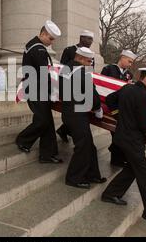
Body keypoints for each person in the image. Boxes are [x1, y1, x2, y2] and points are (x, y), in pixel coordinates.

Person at [102, 68, 146, 228]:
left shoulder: (127, 88)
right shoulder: (145, 96)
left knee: (132, 168)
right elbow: (144, 122)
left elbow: (111, 99)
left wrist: (119, 116)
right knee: (144, 174)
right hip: (133, 140)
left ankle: (110, 194)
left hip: (122, 137)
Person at [16, 20, 63, 164]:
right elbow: (44, 74)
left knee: (47, 122)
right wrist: (55, 89)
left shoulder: (34, 45)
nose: (51, 42)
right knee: (43, 121)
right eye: (50, 38)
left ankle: (47, 154)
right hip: (37, 89)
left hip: (37, 88)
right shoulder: (38, 49)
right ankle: (23, 140)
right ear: (43, 34)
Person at [60, 47, 106, 189]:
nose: (90, 64)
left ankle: (92, 174)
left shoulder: (66, 69)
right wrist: (98, 108)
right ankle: (74, 178)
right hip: (77, 114)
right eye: (88, 60)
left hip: (69, 112)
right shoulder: (81, 72)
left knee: (89, 146)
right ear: (79, 58)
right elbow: (91, 95)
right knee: (83, 147)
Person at [56, 30, 95, 143]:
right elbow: (63, 68)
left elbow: (89, 71)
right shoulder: (69, 50)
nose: (90, 41)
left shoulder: (89, 54)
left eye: (91, 39)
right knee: (74, 113)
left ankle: (64, 130)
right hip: (70, 86)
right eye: (88, 38)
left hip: (82, 85)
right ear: (81, 38)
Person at [101, 50, 137, 167]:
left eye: (132, 62)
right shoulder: (109, 69)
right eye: (129, 61)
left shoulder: (129, 75)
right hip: (110, 105)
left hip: (122, 107)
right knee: (116, 133)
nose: (130, 64)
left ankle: (117, 157)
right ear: (122, 58)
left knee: (118, 133)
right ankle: (117, 158)